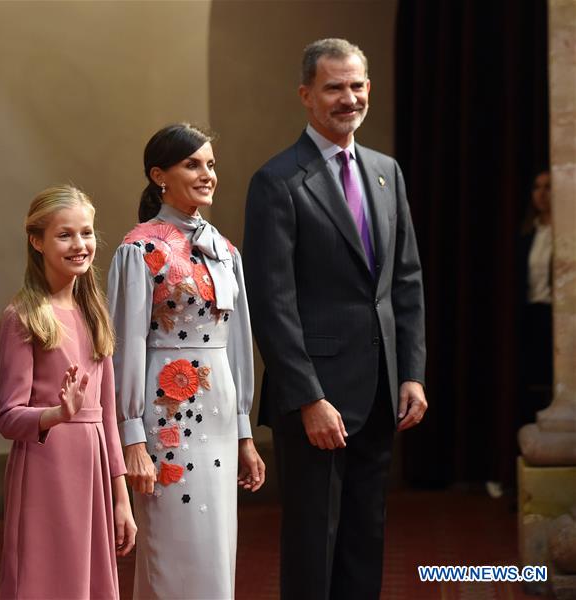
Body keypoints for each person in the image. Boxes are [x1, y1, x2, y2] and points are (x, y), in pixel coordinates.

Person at [243, 39, 427, 600]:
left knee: (364, 536)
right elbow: (272, 302)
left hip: (379, 392)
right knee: (313, 541)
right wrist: (307, 398)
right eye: (334, 87)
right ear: (305, 95)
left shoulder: (385, 172)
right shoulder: (277, 181)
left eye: (358, 85)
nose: (349, 98)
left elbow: (406, 282)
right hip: (316, 400)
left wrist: (412, 372)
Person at [108, 123, 265, 599]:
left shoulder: (225, 249)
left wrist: (245, 431)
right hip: (166, 415)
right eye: (192, 164)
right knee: (173, 544)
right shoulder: (140, 249)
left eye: (211, 164)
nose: (207, 174)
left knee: (216, 543)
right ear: (160, 176)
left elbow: (238, 342)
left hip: (219, 410)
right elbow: (124, 347)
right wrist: (131, 435)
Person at [0, 185, 136, 600]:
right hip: (45, 469)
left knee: (88, 585)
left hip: (93, 470)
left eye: (87, 233)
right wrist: (55, 413)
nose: (80, 245)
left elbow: (108, 419)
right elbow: (6, 416)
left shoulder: (94, 314)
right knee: (44, 581)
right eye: (65, 235)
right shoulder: (22, 317)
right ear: (37, 241)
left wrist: (120, 496)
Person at [516, 170, 553, 427]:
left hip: (555, 317)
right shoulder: (528, 233)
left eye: (548, 187)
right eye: (536, 187)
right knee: (530, 384)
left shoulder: (563, 234)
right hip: (530, 315)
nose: (541, 194)